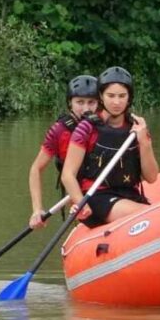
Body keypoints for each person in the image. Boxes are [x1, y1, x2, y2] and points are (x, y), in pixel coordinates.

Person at [60, 66, 159, 228]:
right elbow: (67, 175)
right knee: (152, 215)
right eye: (111, 96)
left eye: (122, 96)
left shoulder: (137, 127)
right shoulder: (87, 128)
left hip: (130, 195)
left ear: (129, 97)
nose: (116, 102)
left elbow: (152, 177)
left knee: (158, 215)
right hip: (96, 197)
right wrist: (80, 203)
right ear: (101, 96)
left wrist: (144, 142)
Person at [28, 75, 100, 229]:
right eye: (80, 102)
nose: (86, 109)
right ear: (70, 103)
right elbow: (36, 169)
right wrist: (37, 209)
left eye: (91, 102)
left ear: (99, 103)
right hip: (76, 193)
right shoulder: (59, 131)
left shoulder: (104, 124)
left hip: (102, 188)